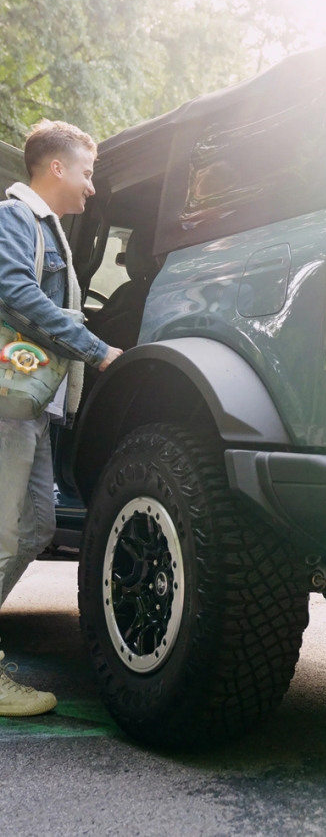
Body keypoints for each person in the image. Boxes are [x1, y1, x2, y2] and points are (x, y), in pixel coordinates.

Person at [0, 120, 123, 716]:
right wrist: (98, 349)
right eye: (87, 172)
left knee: (35, 528)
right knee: (4, 532)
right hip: (6, 401)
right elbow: (15, 292)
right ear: (56, 168)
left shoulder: (48, 229)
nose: (91, 187)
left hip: (30, 403)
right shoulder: (17, 219)